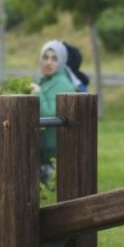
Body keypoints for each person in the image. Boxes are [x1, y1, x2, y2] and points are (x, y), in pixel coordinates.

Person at [32, 41, 78, 184]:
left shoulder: (62, 83)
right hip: (44, 155)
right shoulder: (44, 81)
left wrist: (37, 93)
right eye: (45, 57)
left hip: (55, 156)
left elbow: (49, 116)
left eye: (54, 58)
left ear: (62, 61)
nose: (49, 62)